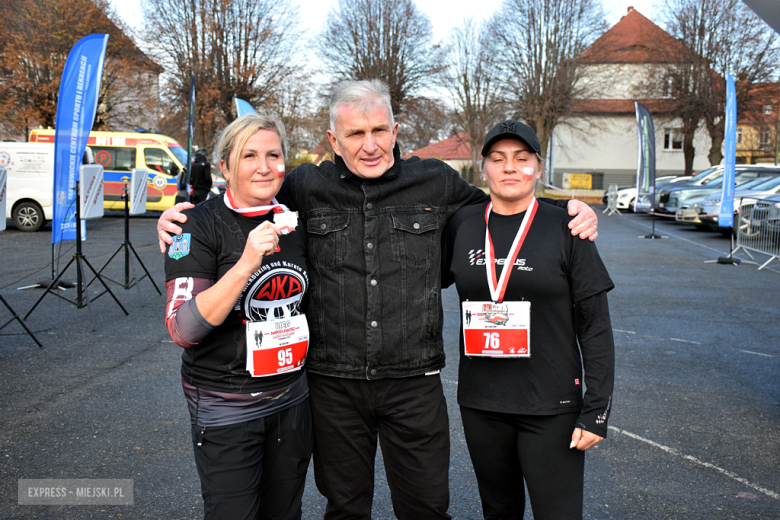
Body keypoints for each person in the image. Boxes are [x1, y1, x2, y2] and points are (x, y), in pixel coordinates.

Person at [158, 79, 599, 520]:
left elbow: (505, 208)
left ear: (395, 129)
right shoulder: (304, 187)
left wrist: (567, 213)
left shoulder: (436, 181)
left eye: (379, 130)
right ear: (334, 140)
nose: (370, 145)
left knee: (426, 508)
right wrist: (184, 219)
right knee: (346, 508)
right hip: (334, 384)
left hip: (414, 381)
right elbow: (248, 196)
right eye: (355, 134)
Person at [441, 120, 615, 520]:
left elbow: (595, 327)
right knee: (499, 511)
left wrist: (597, 410)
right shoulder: (463, 225)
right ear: (482, 167)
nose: (509, 168)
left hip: (551, 406)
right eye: (498, 159)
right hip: (482, 403)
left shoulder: (567, 227)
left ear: (537, 167)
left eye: (522, 159)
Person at [164, 113, 313, 520]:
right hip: (226, 406)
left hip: (292, 400)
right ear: (225, 167)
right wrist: (246, 261)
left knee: (284, 513)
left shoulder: (296, 219)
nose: (264, 166)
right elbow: (183, 328)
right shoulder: (193, 225)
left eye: (273, 154)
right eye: (249, 155)